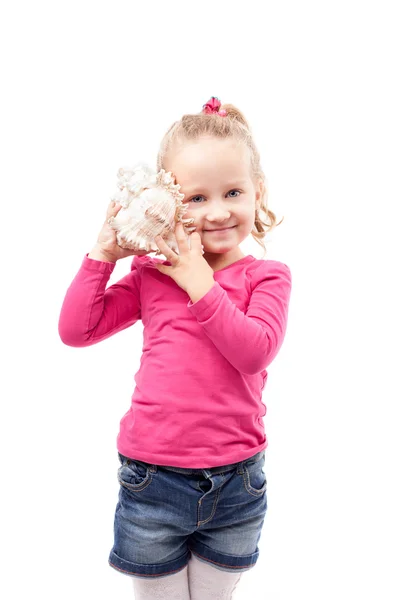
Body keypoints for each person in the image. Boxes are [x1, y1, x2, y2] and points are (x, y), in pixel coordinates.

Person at [58, 96, 292, 600]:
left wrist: (198, 279)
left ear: (258, 192)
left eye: (233, 191)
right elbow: (78, 330)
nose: (218, 212)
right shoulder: (152, 275)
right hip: (153, 480)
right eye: (196, 198)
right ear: (169, 201)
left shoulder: (267, 276)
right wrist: (103, 254)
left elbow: (254, 351)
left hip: (237, 482)